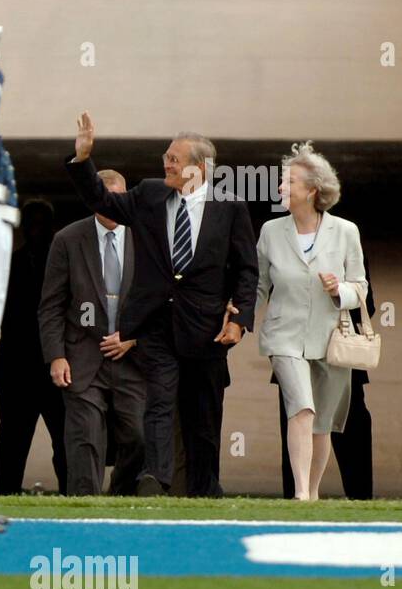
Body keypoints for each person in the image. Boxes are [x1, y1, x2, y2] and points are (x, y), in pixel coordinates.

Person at [65, 112, 258, 497]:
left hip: (207, 331)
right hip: (155, 324)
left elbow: (246, 270)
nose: (165, 163)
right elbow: (101, 199)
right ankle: (156, 477)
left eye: (174, 158)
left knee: (203, 415)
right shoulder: (150, 194)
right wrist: (83, 159)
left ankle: (205, 487)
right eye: (166, 156)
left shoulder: (229, 207)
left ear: (199, 168)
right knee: (159, 402)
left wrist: (240, 320)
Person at [257, 142, 367, 501]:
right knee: (302, 407)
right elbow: (258, 284)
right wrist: (237, 317)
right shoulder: (271, 231)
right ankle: (301, 493)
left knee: (321, 423)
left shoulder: (346, 231)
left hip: (330, 337)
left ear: (312, 191)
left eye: (288, 182)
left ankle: (314, 493)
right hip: (284, 337)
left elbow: (361, 288)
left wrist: (340, 291)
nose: (280, 188)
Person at [38, 170, 146, 495]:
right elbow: (52, 305)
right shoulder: (68, 240)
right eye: (103, 198)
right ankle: (84, 510)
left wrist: (133, 337)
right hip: (82, 358)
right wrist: (56, 356)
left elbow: (161, 299)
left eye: (116, 199)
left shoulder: (146, 237)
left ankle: (120, 499)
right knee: (84, 440)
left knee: (138, 436)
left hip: (133, 361)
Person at [277, 250, 375, 499]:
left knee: (350, 424)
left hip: (337, 349)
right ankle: (298, 497)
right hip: (295, 348)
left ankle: (361, 500)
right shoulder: (281, 238)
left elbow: (367, 302)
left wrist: (336, 292)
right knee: (297, 422)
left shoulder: (344, 236)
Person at [0, 198, 67, 494]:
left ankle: (72, 491)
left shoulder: (64, 264)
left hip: (54, 366)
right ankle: (5, 491)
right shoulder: (8, 264)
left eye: (41, 223)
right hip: (15, 366)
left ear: (51, 227)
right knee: (11, 437)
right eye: (31, 223)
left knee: (64, 438)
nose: (36, 229)